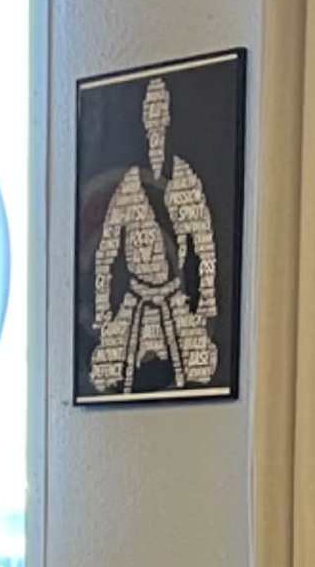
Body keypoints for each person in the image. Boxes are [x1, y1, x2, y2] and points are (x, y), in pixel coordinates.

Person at [89, 74, 220, 395]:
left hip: (174, 298)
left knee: (201, 367)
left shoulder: (184, 178)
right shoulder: (130, 183)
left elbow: (204, 242)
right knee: (104, 373)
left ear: (169, 115)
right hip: (135, 298)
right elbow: (107, 247)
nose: (155, 116)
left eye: (160, 108)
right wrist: (102, 308)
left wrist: (206, 299)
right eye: (151, 108)